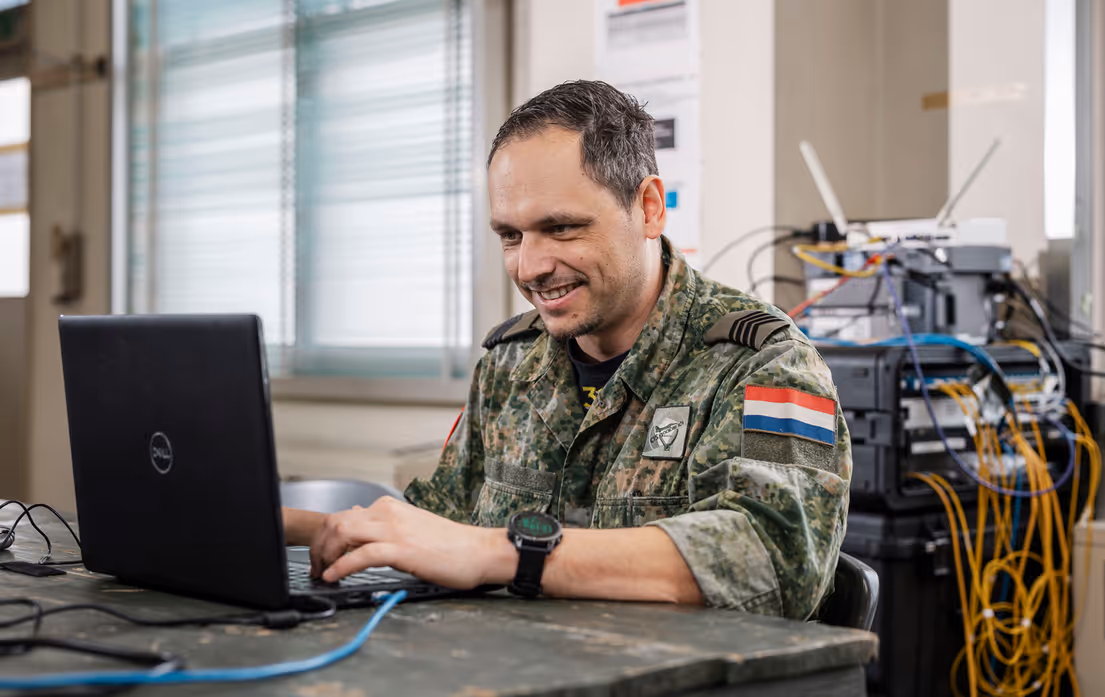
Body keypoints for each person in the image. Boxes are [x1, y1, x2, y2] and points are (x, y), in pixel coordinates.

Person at [283, 80, 852, 620]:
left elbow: (775, 560)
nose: (529, 267)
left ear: (649, 207)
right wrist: (276, 525)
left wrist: (502, 553)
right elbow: (440, 528)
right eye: (510, 235)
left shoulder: (764, 364)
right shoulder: (509, 363)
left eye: (560, 228)